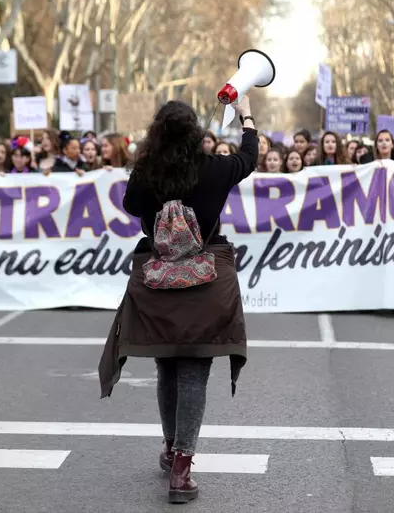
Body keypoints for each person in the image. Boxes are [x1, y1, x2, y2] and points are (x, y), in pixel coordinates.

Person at [99, 98, 258, 505]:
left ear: (156, 134)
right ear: (195, 135)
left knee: (165, 367)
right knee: (194, 373)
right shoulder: (216, 169)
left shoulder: (146, 175)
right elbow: (250, 156)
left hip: (156, 281)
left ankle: (171, 449)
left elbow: (131, 205)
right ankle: (183, 468)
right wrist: (247, 115)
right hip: (206, 282)